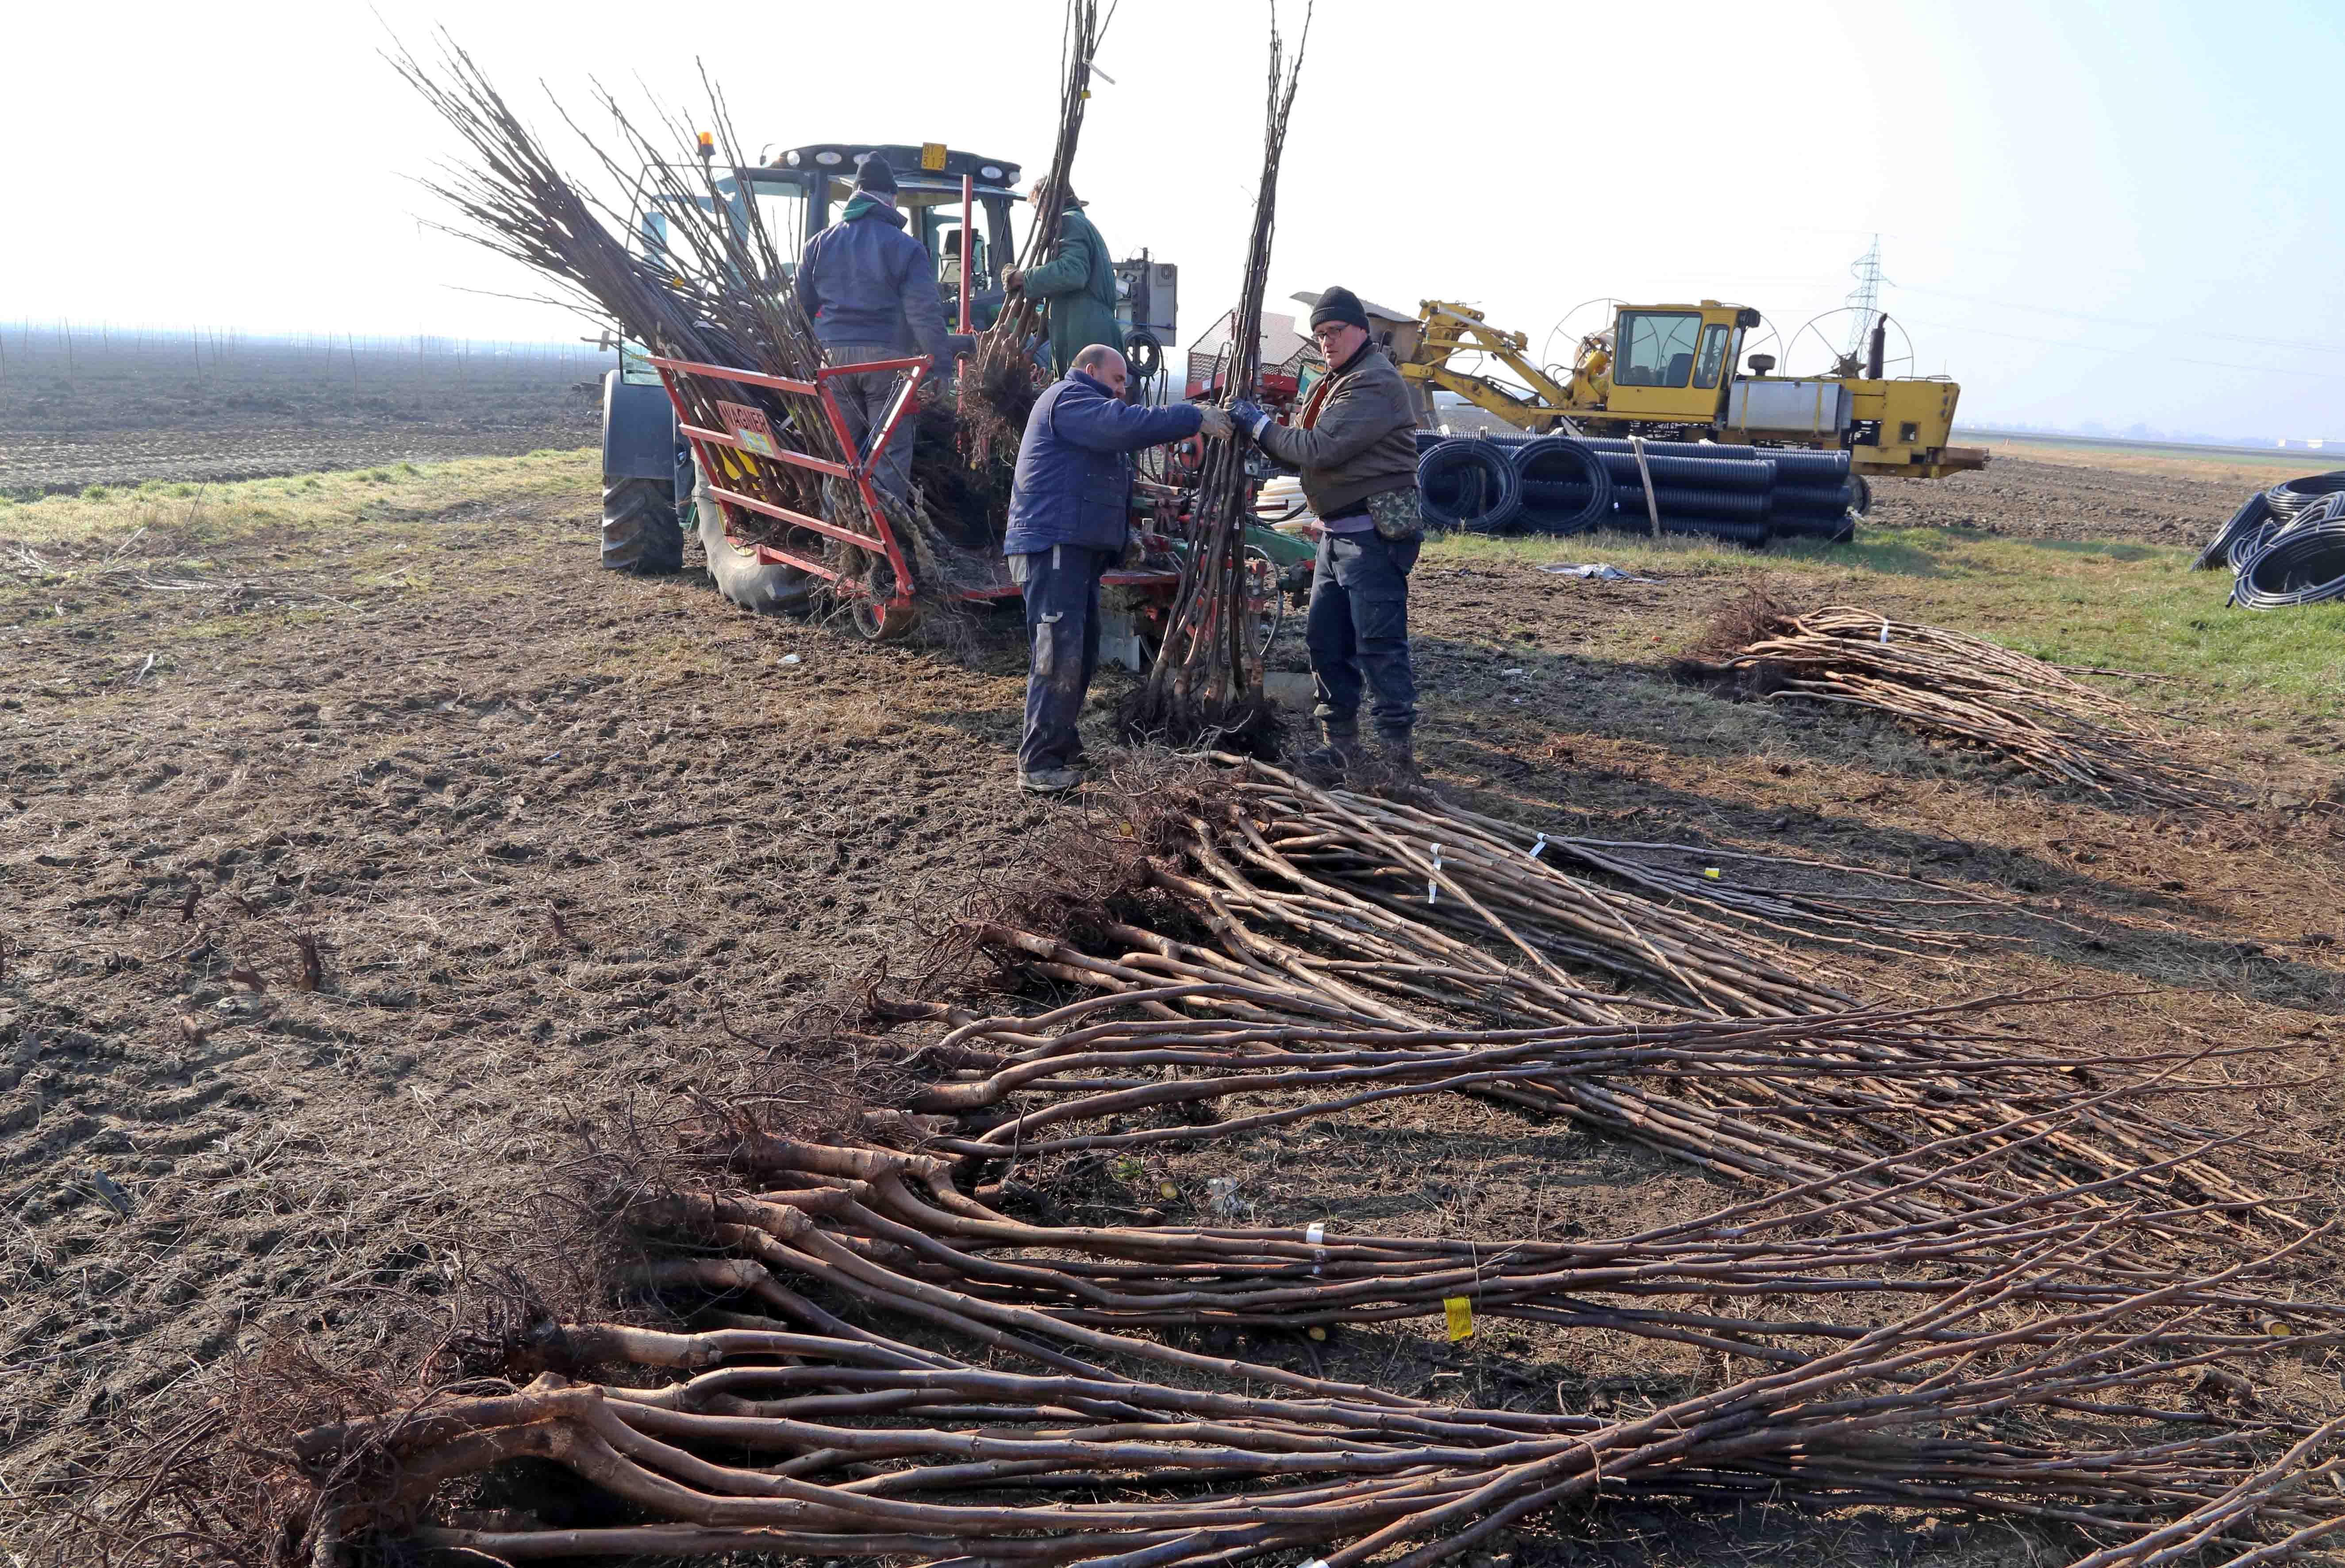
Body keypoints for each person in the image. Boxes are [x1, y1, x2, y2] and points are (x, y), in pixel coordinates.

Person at [1004, 344, 1233, 793]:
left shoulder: (1083, 410)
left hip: (1074, 550)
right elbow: (1118, 426)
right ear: (1089, 371)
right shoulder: (1067, 399)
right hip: (1054, 547)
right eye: (1117, 380)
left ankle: (1062, 744)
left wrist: (1121, 537)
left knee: (1081, 651)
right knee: (1058, 653)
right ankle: (1038, 763)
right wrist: (1192, 417)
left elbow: (1098, 474)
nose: (1122, 390)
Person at [1230, 286, 1425, 773]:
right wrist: (1262, 435)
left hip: (1371, 538)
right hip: (1339, 535)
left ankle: (1398, 762)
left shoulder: (1373, 382)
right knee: (1326, 642)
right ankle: (1341, 747)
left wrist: (1257, 427)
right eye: (1319, 334)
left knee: (1378, 645)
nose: (1326, 341)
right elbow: (1300, 449)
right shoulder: (1337, 380)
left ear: (1360, 328)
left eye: (1334, 331)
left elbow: (1319, 448)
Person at [796, 152, 969, 505]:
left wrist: (808, 356)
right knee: (887, 457)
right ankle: (886, 545)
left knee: (841, 457)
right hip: (886, 364)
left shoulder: (817, 244)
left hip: (834, 363)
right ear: (890, 198)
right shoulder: (906, 247)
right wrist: (941, 368)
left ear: (856, 195)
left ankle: (840, 546)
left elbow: (798, 310)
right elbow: (924, 313)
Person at [1001, 178, 1121, 378]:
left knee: (1082, 401)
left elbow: (1073, 272)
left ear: (1046, 205)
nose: (1039, 220)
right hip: (1091, 331)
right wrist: (1043, 324)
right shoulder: (1082, 224)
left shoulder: (1070, 222)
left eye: (1037, 211)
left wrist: (1022, 278)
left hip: (1085, 335)